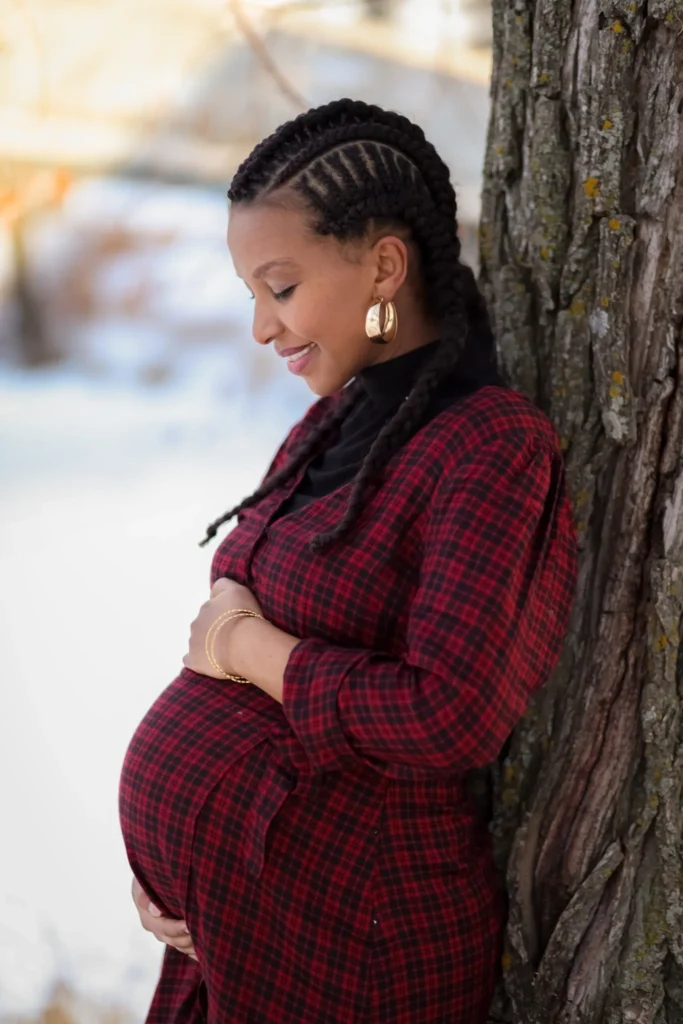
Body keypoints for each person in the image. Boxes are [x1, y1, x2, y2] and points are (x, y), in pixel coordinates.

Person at [119, 98, 578, 1024]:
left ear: (383, 265)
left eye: (281, 289)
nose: (261, 327)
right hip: (247, 921)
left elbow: (450, 714)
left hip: (357, 946)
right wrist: (175, 869)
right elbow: (244, 594)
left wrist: (250, 650)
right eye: (251, 294)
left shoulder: (489, 447)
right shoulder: (336, 418)